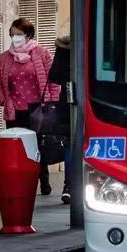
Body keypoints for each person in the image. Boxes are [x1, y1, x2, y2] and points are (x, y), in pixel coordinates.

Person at [0, 18, 60, 195]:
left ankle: (43, 180)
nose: (15, 38)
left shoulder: (42, 53)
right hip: (15, 110)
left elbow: (53, 81)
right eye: (12, 35)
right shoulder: (4, 58)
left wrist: (52, 102)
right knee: (18, 149)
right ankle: (21, 184)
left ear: (29, 35)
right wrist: (4, 101)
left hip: (37, 109)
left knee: (38, 147)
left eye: (19, 34)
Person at [47, 34, 73, 204]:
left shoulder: (64, 45)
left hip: (68, 102)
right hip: (94, 101)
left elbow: (54, 76)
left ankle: (69, 186)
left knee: (71, 145)